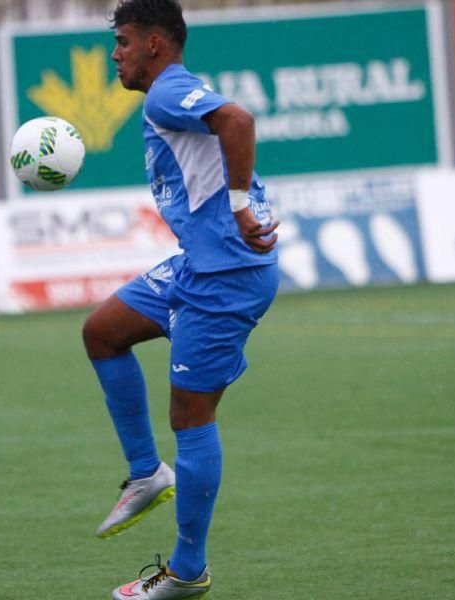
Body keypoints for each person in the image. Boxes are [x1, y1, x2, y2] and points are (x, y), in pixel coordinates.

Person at [83, 1, 279, 598]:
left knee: (191, 417)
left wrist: (241, 205)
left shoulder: (168, 93)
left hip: (227, 276)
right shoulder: (172, 93)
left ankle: (187, 572)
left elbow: (239, 121)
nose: (114, 53)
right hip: (200, 266)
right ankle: (145, 473)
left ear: (155, 45)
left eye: (122, 41)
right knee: (102, 332)